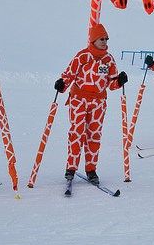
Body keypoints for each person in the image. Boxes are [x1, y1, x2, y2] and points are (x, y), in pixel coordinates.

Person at [54, 23, 127, 185]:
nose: (105, 42)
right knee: (77, 132)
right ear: (93, 39)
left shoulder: (109, 59)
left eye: (106, 39)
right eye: (102, 39)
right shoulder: (82, 56)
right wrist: (62, 84)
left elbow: (112, 83)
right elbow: (69, 74)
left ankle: (91, 169)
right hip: (79, 100)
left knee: (94, 135)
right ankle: (71, 167)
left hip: (98, 102)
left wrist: (119, 81)